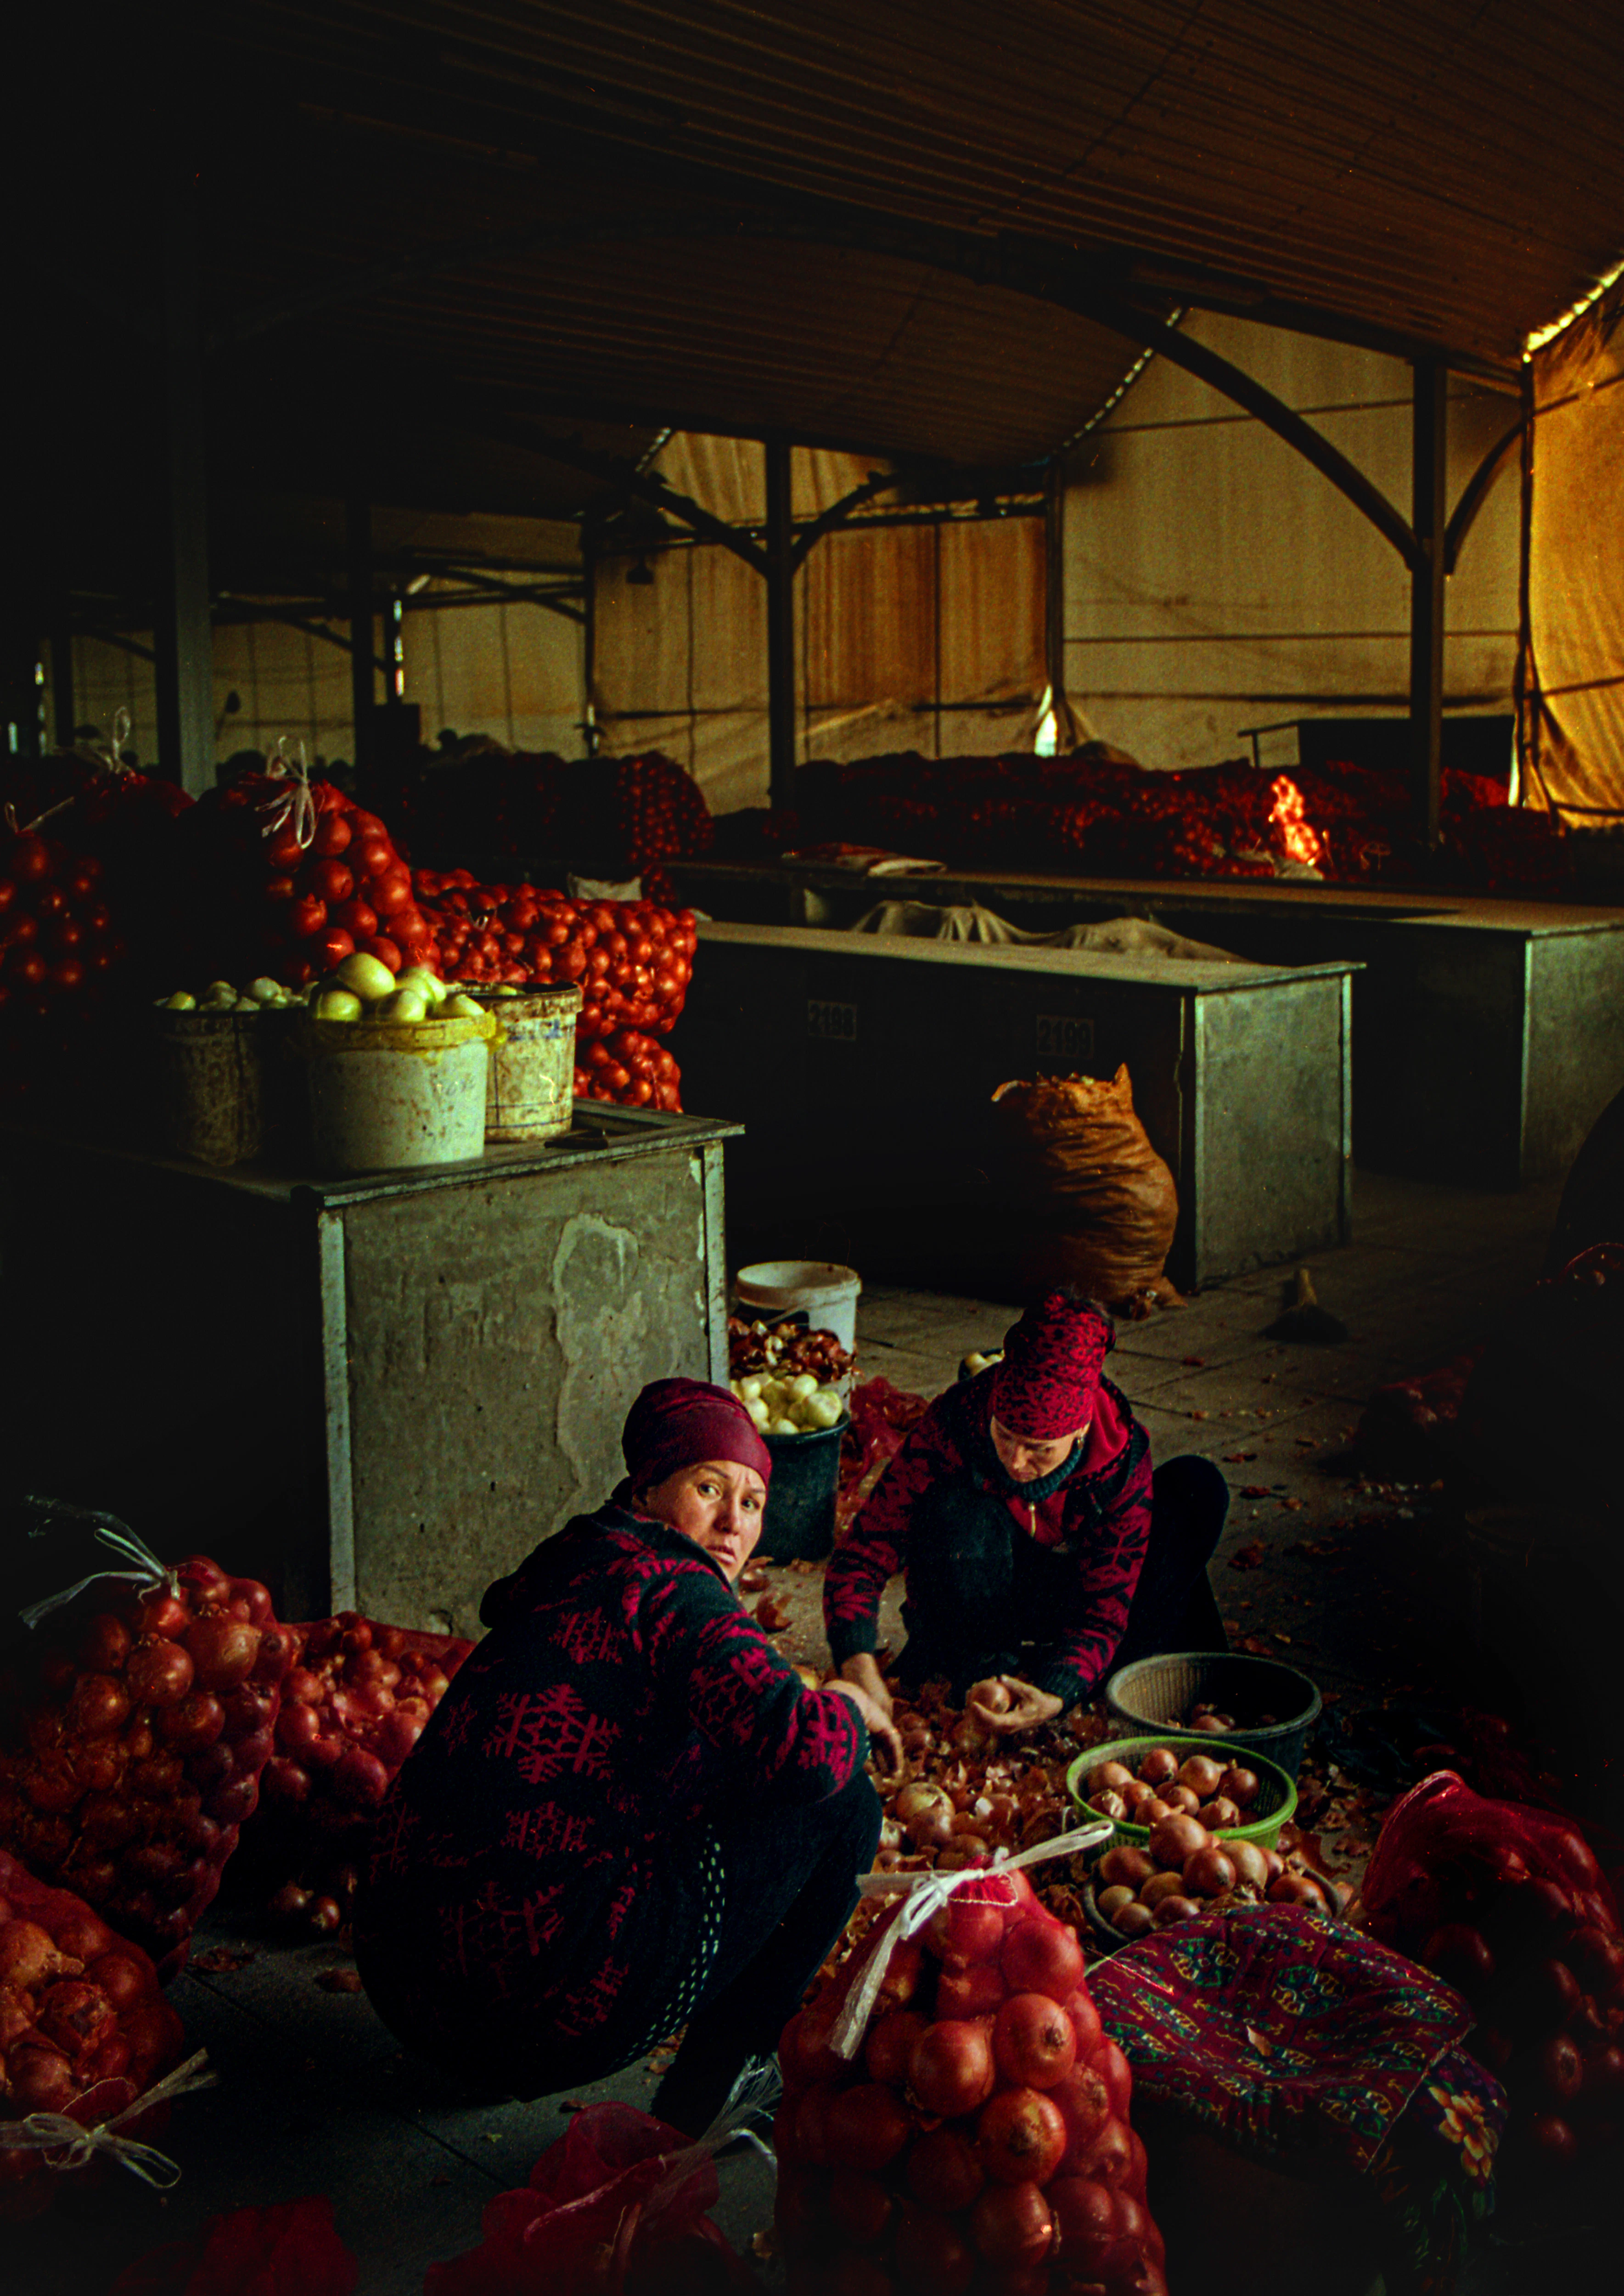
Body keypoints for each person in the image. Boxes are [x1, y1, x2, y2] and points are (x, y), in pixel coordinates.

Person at [354, 1377, 899, 2136]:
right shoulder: (675, 1588)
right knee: (845, 1805)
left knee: (728, 1765)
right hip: (531, 2017)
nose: (730, 1525)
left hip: (406, 1983)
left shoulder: (579, 1557)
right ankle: (711, 2095)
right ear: (648, 1490)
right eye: (708, 1488)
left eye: (749, 1503)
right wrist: (847, 1699)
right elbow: (806, 1756)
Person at [825, 1289, 1228, 1737]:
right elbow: (864, 1551)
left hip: (1075, 1602)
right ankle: (978, 1669)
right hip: (986, 1595)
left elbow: (1105, 1610)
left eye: (1040, 1449)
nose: (1016, 1462)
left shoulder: (1122, 1456)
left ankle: (1101, 1675)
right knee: (957, 1507)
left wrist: (1059, 1688)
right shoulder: (955, 1420)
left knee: (1195, 1486)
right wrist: (856, 1658)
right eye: (1006, 1435)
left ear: (1079, 1433)